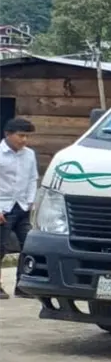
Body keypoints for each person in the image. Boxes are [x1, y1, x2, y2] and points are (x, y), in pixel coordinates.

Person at [0, 118, 38, 300]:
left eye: (27, 136)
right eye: (20, 135)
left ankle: (22, 284)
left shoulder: (29, 154)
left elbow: (32, 178)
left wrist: (30, 200)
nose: (24, 140)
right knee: (1, 247)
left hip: (22, 206)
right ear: (8, 134)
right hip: (3, 207)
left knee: (29, 246)